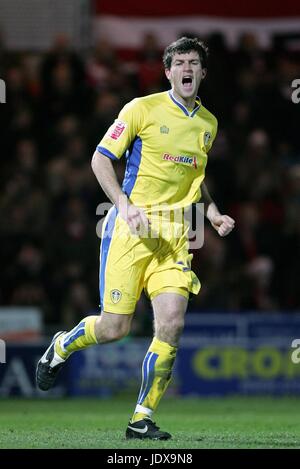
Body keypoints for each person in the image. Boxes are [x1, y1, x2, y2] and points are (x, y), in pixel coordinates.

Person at [36, 37, 235, 440]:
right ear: (167, 71)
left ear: (202, 72)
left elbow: (194, 182)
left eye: (194, 62)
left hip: (176, 237)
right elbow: (100, 159)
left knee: (172, 323)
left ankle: (141, 418)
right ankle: (61, 346)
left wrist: (212, 214)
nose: (187, 68)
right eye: (179, 62)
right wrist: (124, 205)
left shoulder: (208, 124)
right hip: (131, 229)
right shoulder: (141, 108)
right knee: (115, 329)